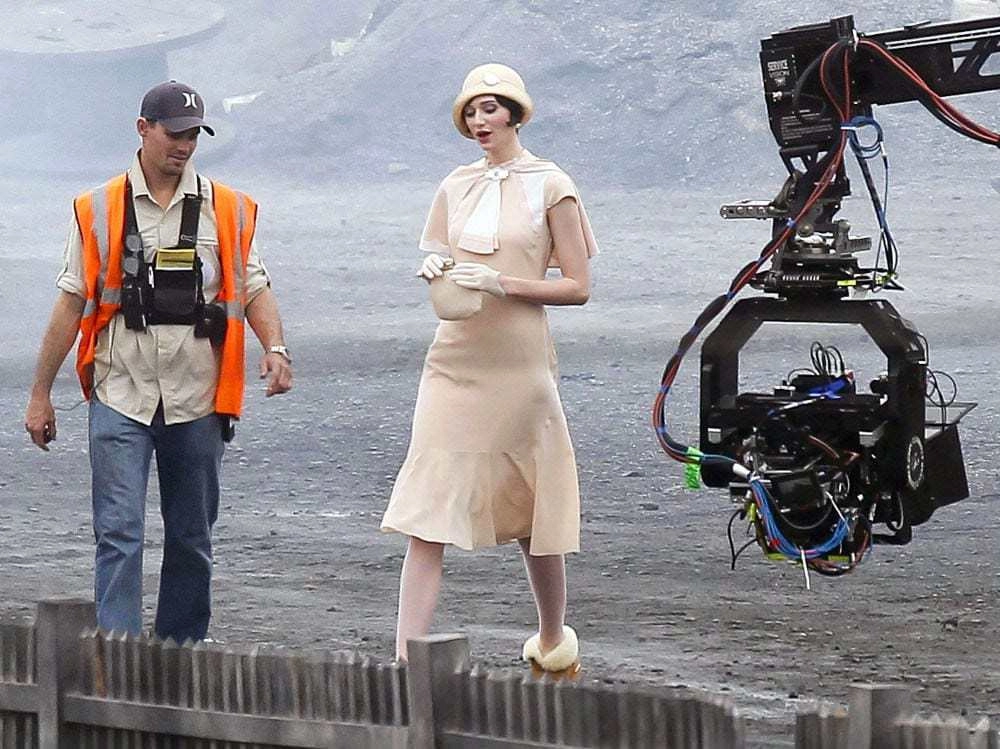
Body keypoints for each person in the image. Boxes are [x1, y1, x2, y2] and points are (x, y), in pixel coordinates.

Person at [23, 81, 293, 643]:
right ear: (143, 129)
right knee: (118, 533)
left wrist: (276, 348)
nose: (185, 146)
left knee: (192, 537)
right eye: (175, 134)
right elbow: (71, 300)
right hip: (121, 390)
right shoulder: (99, 208)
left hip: (198, 396)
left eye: (194, 135)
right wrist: (40, 394)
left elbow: (254, 286)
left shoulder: (228, 208)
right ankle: (119, 660)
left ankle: (181, 656)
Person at [381, 63, 599, 675]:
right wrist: (436, 270)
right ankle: (405, 661)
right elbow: (447, 264)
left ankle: (553, 641)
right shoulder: (455, 185)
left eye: (491, 108)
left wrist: (503, 283)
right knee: (427, 509)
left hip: (519, 365)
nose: (481, 121)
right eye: (471, 111)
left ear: (515, 113)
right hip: (454, 359)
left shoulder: (552, 184)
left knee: (532, 509)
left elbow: (578, 286)